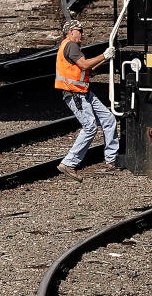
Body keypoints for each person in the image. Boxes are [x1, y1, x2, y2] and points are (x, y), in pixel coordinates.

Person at [55, 17, 119, 181]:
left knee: (108, 118)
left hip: (84, 92)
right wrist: (103, 54)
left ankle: (112, 158)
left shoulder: (71, 47)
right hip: (75, 94)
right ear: (70, 32)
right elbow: (84, 65)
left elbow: (87, 67)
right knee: (90, 127)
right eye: (79, 31)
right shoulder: (71, 45)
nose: (82, 34)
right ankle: (68, 163)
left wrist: (105, 58)